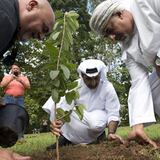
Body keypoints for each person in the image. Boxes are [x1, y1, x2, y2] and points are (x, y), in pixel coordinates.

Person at [89, 0, 160, 148]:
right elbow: (139, 82)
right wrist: (137, 125)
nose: (112, 38)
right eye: (107, 35)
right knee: (152, 91)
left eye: (110, 30)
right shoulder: (127, 47)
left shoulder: (146, 3)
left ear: (120, 14)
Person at [43, 59, 123, 150]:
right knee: (55, 103)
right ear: (82, 76)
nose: (93, 83)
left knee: (95, 123)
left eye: (96, 78)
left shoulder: (108, 87)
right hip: (77, 117)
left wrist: (111, 133)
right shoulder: (75, 86)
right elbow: (66, 108)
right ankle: (66, 138)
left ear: (100, 75)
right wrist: (57, 124)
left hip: (97, 121)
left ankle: (98, 136)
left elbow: (113, 113)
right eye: (88, 79)